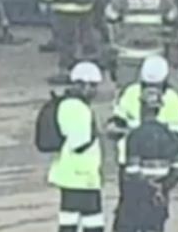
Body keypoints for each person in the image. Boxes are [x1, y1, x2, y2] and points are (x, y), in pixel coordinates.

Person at [116, 88, 178, 232]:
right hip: (161, 198)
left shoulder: (135, 135)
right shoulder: (170, 135)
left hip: (138, 198)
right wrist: (162, 188)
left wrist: (150, 187)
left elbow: (132, 171)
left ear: (142, 107)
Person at [47, 61, 105, 232]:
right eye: (92, 85)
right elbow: (79, 143)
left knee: (68, 220)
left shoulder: (67, 104)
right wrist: (96, 133)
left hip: (71, 175)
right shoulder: (78, 109)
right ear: (81, 84)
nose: (94, 90)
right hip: (81, 176)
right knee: (92, 223)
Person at [104, 0, 178, 85]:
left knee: (126, 92)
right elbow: (172, 20)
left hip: (127, 53)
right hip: (154, 52)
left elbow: (110, 19)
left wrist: (114, 46)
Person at [108, 55, 178, 169]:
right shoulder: (131, 93)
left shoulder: (172, 98)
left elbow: (177, 133)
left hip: (161, 160)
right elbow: (115, 125)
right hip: (130, 158)